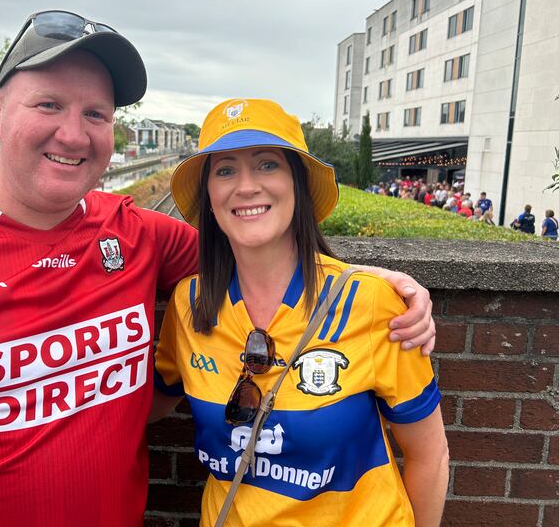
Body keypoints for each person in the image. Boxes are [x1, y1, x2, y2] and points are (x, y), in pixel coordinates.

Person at [0, 11, 436, 527]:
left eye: (96, 113)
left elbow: (253, 242)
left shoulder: (135, 232)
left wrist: (373, 279)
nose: (74, 132)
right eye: (49, 104)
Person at [153, 99, 448, 527]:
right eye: (225, 169)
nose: (247, 185)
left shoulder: (371, 303)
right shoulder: (190, 303)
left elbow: (429, 455)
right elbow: (147, 403)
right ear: (210, 196)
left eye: (268, 165)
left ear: (299, 185)